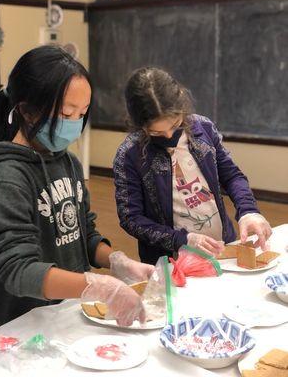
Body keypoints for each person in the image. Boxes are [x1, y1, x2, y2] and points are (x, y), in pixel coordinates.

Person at [0, 46, 154, 326]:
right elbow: (20, 271)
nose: (75, 124)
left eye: (83, 113)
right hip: (21, 325)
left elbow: (82, 234)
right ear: (28, 111)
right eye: (66, 114)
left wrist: (115, 260)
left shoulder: (69, 164)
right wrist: (99, 287)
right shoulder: (5, 177)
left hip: (66, 313)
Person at [113, 67, 272, 265]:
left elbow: (232, 176)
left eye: (175, 125)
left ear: (182, 104)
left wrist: (249, 211)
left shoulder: (203, 128)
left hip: (223, 247)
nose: (169, 136)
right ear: (139, 124)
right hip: (172, 261)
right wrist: (182, 239)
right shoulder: (130, 155)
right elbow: (131, 218)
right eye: (156, 133)